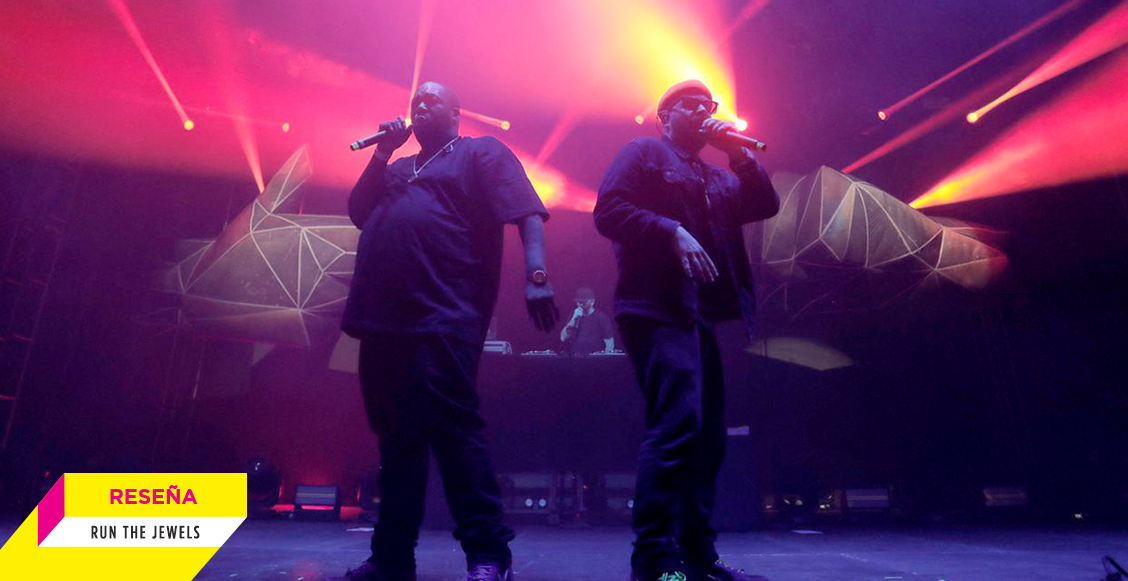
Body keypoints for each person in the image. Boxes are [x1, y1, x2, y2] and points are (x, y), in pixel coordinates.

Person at [341, 81, 559, 581]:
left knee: (455, 435)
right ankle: (392, 559)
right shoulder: (398, 167)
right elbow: (358, 213)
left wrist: (537, 276)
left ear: (457, 113)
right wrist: (382, 153)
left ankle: (488, 554)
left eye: (431, 100)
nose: (419, 106)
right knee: (396, 442)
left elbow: (527, 212)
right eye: (415, 101)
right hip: (382, 319)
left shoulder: (480, 153)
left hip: (443, 312)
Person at [593, 80, 780, 581]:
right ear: (665, 116)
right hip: (655, 306)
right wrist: (670, 230)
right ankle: (654, 561)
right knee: (676, 426)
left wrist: (739, 155)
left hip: (703, 315)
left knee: (708, 438)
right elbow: (608, 212)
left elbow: (764, 204)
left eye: (708, 106)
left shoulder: (716, 176)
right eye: (690, 105)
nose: (702, 111)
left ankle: (698, 556)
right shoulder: (644, 152)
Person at [559, 286, 615, 354]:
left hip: (594, 357)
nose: (580, 304)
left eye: (583, 302)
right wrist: (573, 319)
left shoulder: (601, 318)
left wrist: (606, 357)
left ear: (592, 301)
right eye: (578, 302)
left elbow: (609, 343)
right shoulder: (573, 316)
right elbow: (563, 338)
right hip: (575, 357)